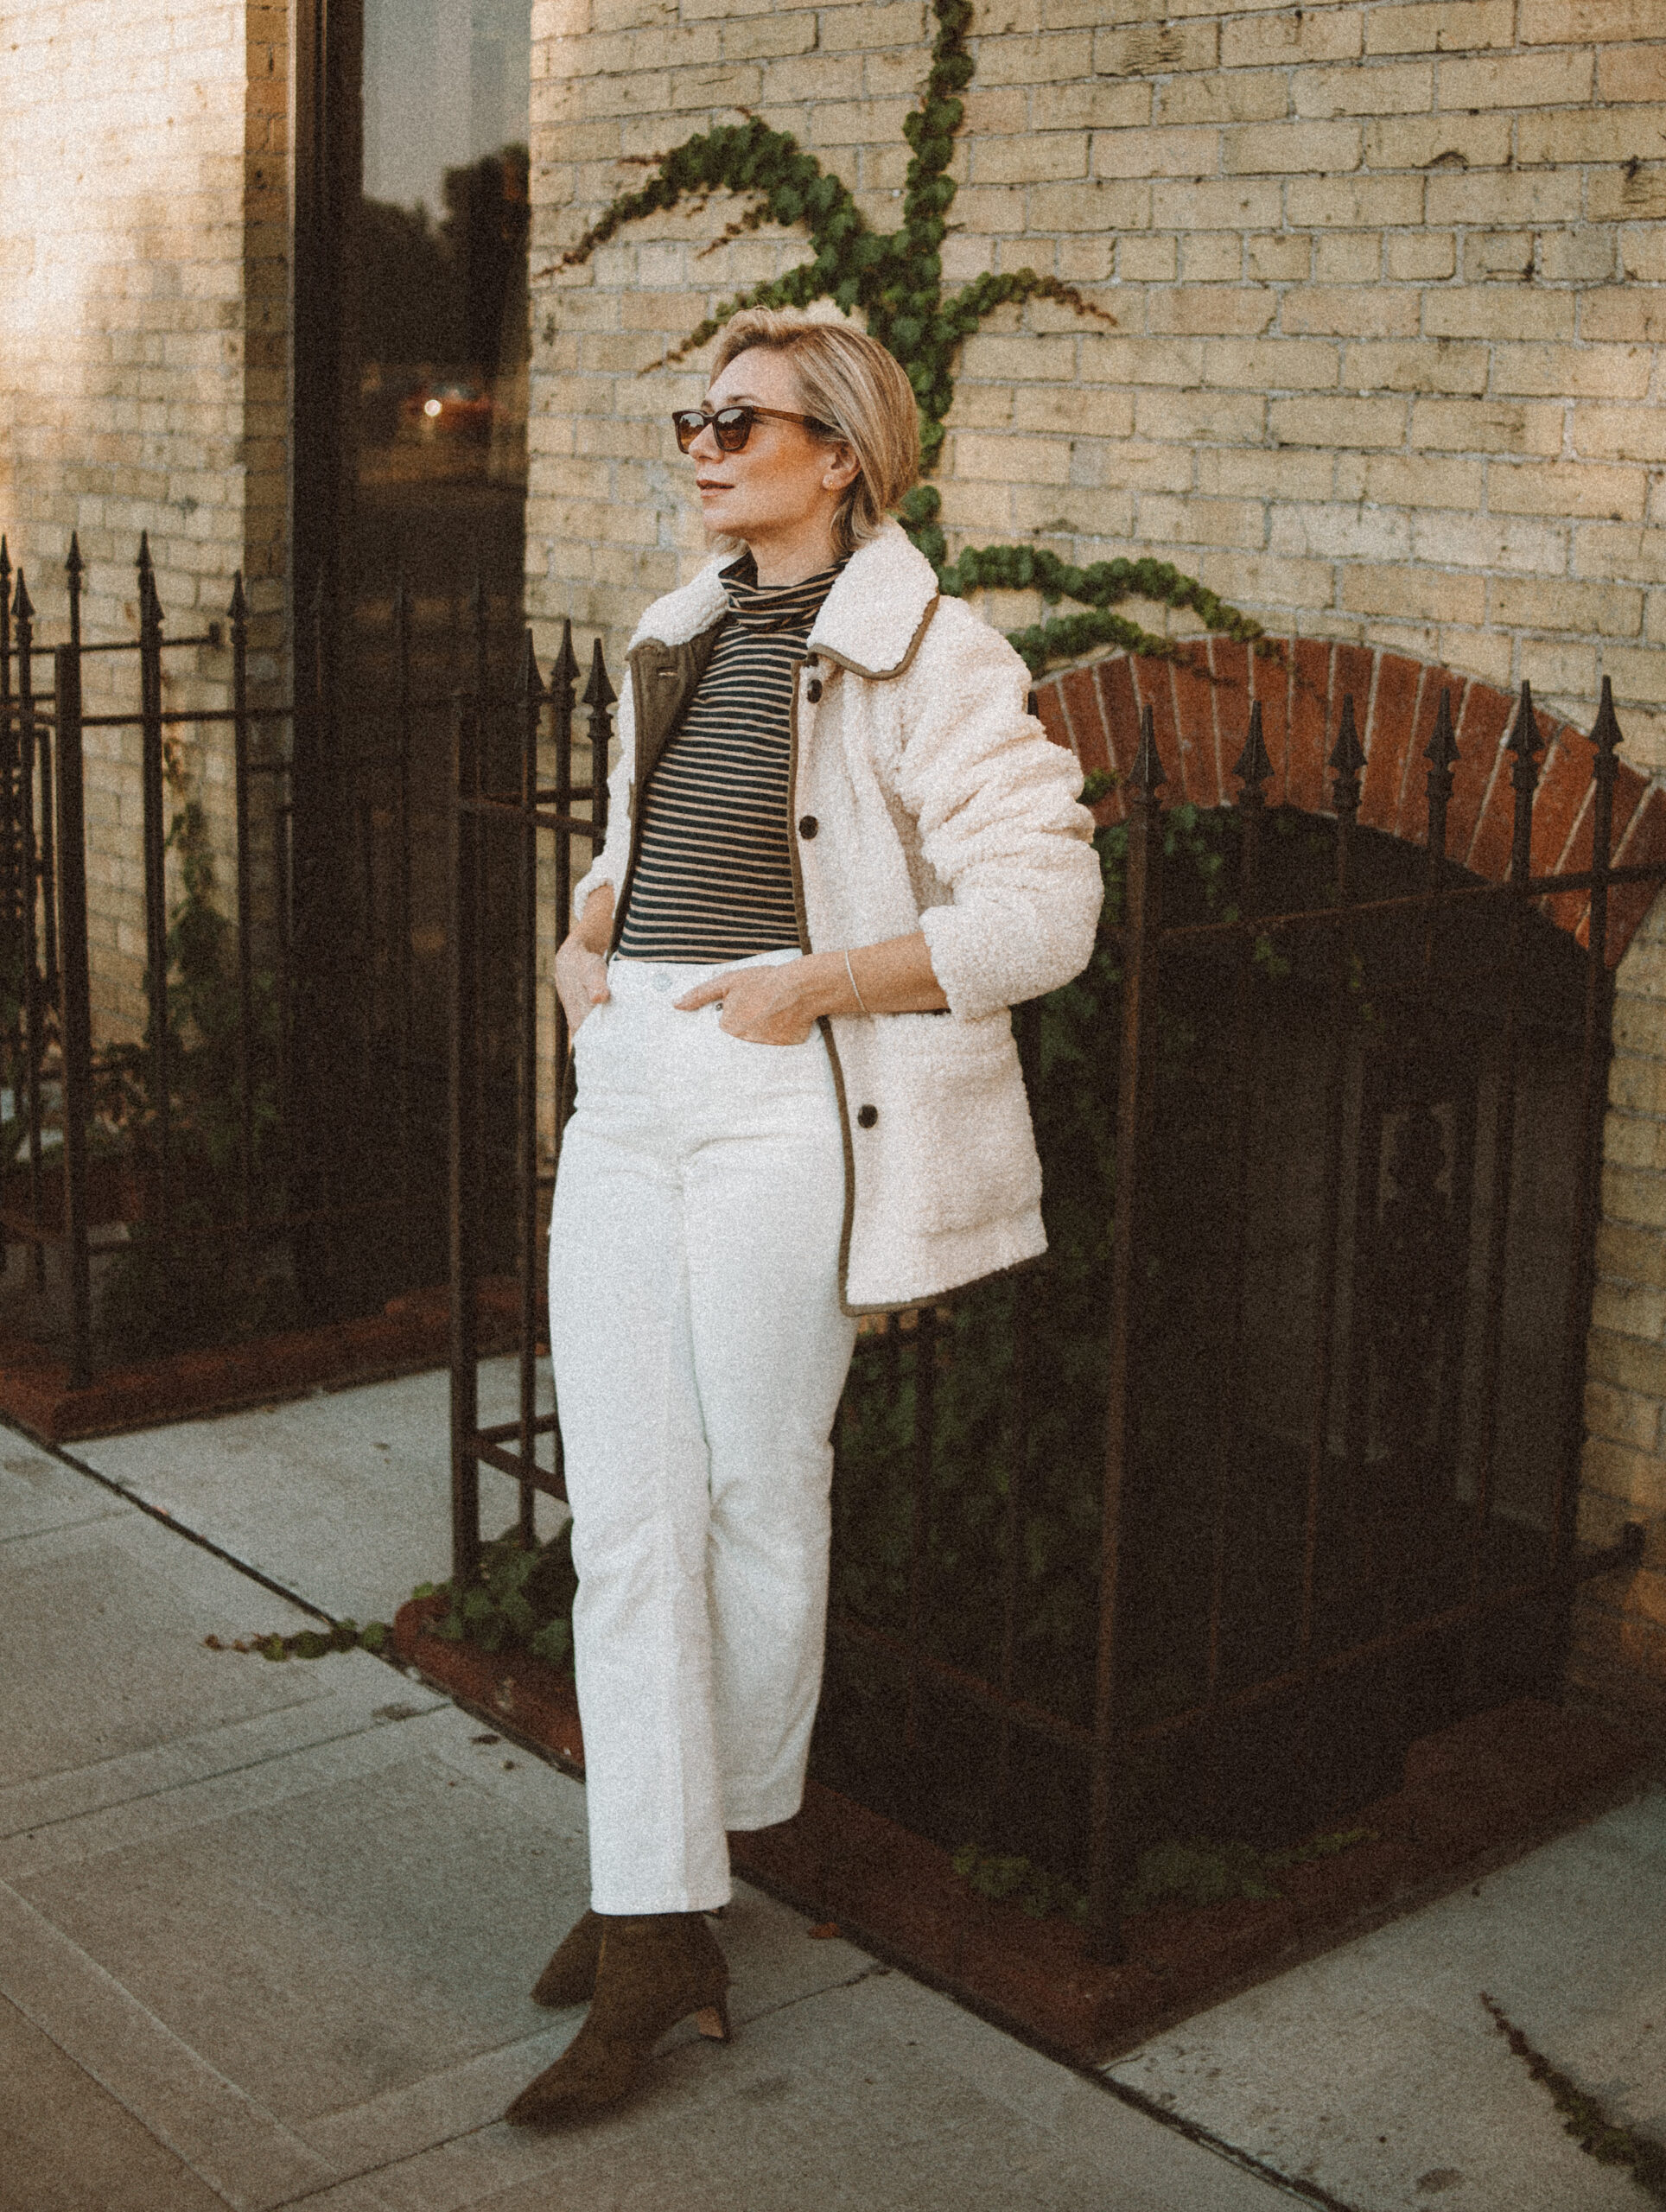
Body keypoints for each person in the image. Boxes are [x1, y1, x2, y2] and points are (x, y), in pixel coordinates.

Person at [505, 307, 1103, 2126]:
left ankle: (684, 1862)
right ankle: (653, 1898)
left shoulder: (928, 653)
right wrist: (588, 934)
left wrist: (815, 985)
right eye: (689, 415)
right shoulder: (670, 635)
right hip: (635, 1087)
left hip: (781, 1093)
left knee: (757, 1494)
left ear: (838, 452)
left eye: (737, 419)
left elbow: (1044, 906)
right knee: (625, 1513)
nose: (699, 442)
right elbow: (647, 833)